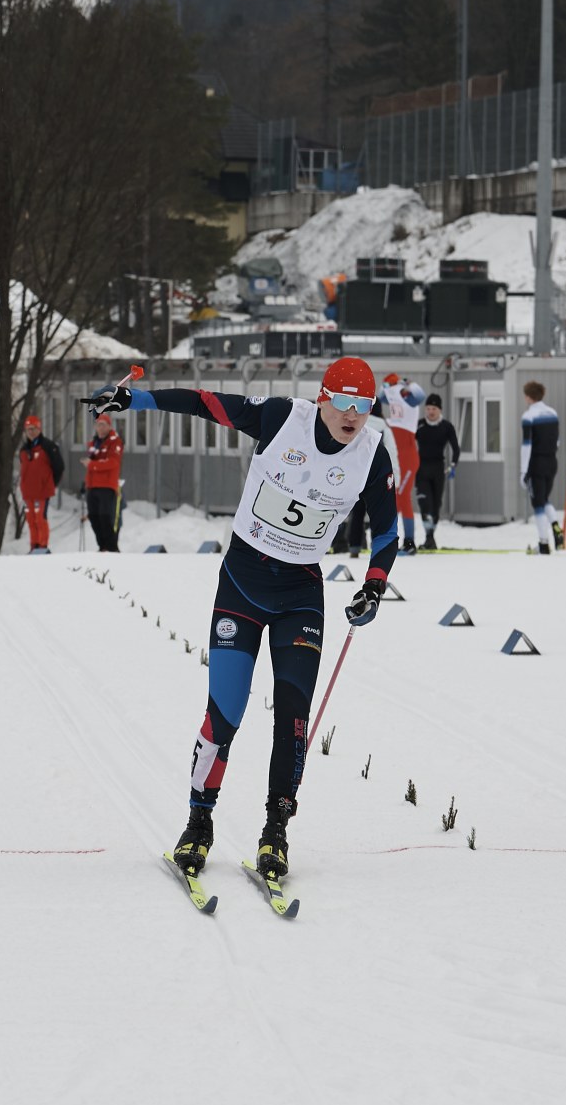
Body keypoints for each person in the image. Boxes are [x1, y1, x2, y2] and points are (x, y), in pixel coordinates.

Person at [89, 356, 398, 886]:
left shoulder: (372, 454)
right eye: (344, 403)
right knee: (225, 713)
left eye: (363, 406)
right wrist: (133, 399)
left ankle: (275, 831)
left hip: (300, 595)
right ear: (323, 399)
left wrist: (373, 584)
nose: (353, 416)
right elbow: (205, 403)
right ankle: (198, 823)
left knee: (293, 718)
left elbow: (388, 531)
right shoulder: (282, 418)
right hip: (242, 584)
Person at [378, 373, 425, 553]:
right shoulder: (394, 397)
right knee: (395, 499)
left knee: (403, 497)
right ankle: (394, 540)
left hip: (408, 457)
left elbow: (420, 396)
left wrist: (409, 384)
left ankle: (410, 542)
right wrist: (387, 385)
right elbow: (381, 396)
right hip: (397, 457)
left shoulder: (409, 399)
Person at [520, 381, 563, 554]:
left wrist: (524, 470)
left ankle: (544, 543)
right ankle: (556, 529)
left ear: (528, 397)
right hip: (552, 462)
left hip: (536, 463)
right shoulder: (553, 413)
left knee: (538, 503)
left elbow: (526, 446)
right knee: (544, 498)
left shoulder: (528, 416)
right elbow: (557, 441)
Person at [414, 393, 461, 550]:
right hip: (421, 468)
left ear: (440, 410)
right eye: (428, 408)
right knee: (424, 503)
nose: (431, 412)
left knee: (435, 505)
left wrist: (453, 465)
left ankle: (430, 537)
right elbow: (407, 443)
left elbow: (456, 448)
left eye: (434, 409)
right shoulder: (419, 425)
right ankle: (429, 537)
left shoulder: (446, 427)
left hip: (438, 469)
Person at [18, 414, 64, 553]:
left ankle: (42, 546)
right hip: (28, 492)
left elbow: (59, 467)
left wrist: (50, 483)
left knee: (40, 519)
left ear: (39, 429)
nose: (31, 432)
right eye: (28, 429)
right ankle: (34, 546)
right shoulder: (23, 450)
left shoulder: (48, 446)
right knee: (31, 520)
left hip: (42, 491)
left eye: (34, 428)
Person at [83, 412, 123, 552]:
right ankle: (102, 546)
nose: (100, 428)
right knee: (93, 516)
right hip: (92, 485)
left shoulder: (115, 442)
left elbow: (113, 462)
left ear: (109, 426)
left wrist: (93, 465)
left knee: (105, 516)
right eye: (98, 425)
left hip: (106, 485)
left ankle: (112, 548)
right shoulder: (94, 443)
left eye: (103, 425)